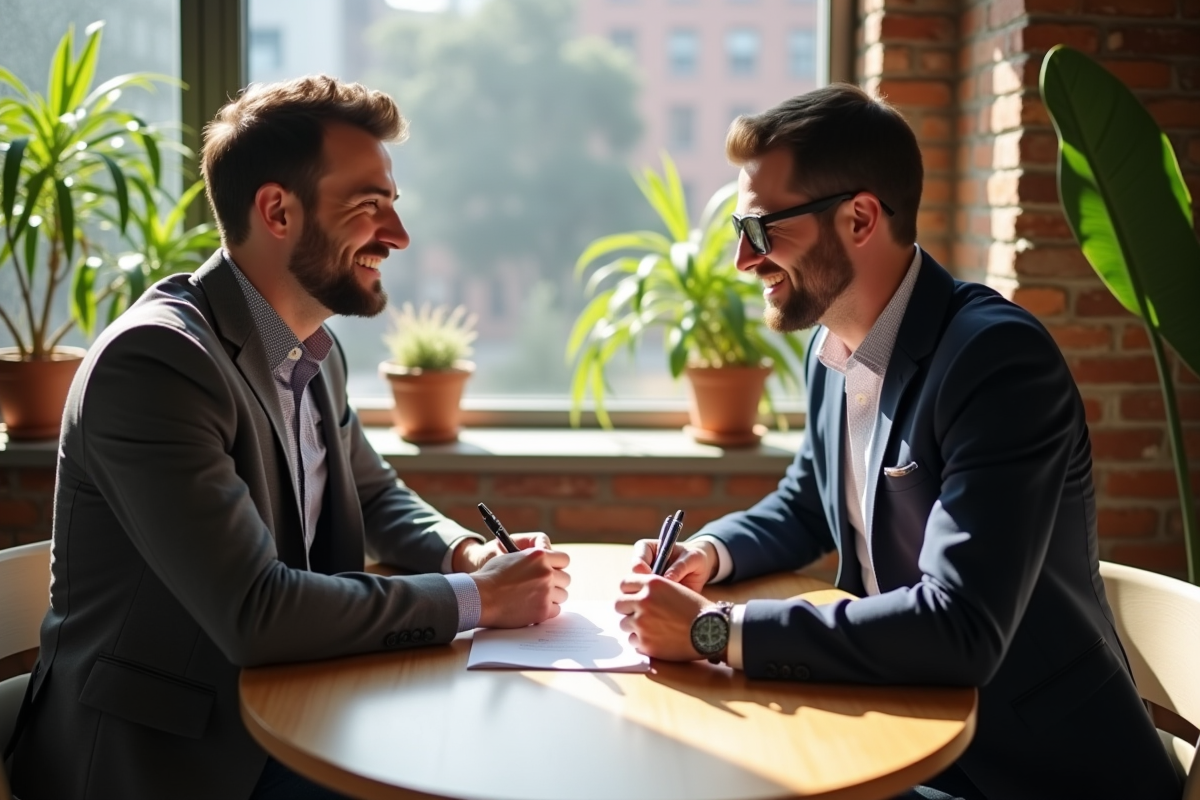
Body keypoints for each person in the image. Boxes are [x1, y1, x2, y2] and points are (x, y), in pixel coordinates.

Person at [9, 76, 570, 800]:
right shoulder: (157, 362)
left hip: (292, 706)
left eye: (394, 204)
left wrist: (469, 553)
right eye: (369, 207)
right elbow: (257, 613)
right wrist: (478, 599)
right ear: (277, 210)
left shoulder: (314, 352)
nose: (398, 236)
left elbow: (376, 496)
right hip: (172, 759)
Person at [615, 84, 1180, 800]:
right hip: (901, 726)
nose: (742, 260)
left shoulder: (997, 362)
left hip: (1031, 774)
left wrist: (715, 632)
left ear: (859, 218)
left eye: (760, 230)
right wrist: (706, 553)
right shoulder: (832, 348)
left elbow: (960, 625)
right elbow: (807, 506)